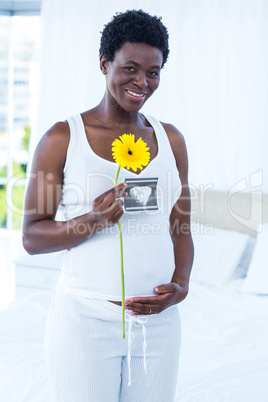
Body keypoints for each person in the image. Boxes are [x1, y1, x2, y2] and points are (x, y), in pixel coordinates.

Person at [22, 9, 194, 402]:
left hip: (157, 324)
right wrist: (94, 219)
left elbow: (180, 224)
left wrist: (181, 286)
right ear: (104, 63)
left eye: (153, 72)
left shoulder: (172, 140)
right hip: (84, 320)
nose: (142, 82)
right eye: (130, 68)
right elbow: (32, 237)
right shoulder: (63, 138)